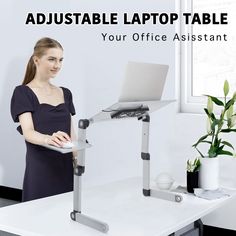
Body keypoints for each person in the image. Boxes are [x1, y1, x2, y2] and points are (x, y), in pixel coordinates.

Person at [10, 37, 76, 202]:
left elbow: (71, 131)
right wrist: (49, 139)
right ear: (36, 60)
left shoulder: (65, 92)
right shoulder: (23, 92)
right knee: (37, 215)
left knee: (64, 213)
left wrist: (76, 157)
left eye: (60, 60)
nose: (57, 65)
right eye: (52, 59)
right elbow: (28, 132)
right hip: (40, 166)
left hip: (64, 165)